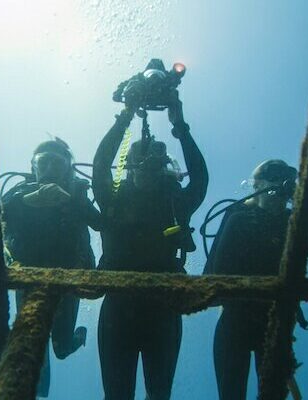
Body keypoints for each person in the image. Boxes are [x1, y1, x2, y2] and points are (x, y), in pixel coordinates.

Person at [92, 90, 208, 400]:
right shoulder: (113, 198)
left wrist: (180, 128)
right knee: (116, 396)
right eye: (139, 160)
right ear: (129, 166)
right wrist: (125, 117)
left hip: (162, 308)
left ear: (163, 166)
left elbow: (199, 180)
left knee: (159, 395)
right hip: (119, 307)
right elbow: (101, 166)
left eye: (155, 161)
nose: (147, 166)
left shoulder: (175, 202)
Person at [204, 159, 308, 400]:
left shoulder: (295, 223)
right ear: (257, 186)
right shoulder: (238, 217)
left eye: (284, 189)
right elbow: (213, 276)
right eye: (273, 186)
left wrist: (296, 291)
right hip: (240, 323)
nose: (279, 196)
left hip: (267, 324)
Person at [0, 138, 100, 398]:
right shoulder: (19, 192)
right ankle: (34, 392)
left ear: (68, 168)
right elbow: (2, 212)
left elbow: (100, 223)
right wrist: (31, 200)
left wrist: (74, 201)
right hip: (28, 277)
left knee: (62, 347)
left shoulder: (77, 192)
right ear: (33, 167)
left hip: (68, 280)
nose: (49, 169)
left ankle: (77, 337)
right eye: (43, 162)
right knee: (33, 344)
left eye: (57, 163)